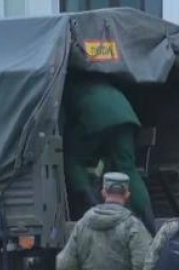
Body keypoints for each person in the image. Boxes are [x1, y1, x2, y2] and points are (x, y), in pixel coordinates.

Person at [62, 76, 155, 230]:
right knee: (127, 168)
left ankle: (91, 204)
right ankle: (149, 218)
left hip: (94, 117)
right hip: (126, 115)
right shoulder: (102, 79)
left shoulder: (65, 85)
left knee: (72, 160)